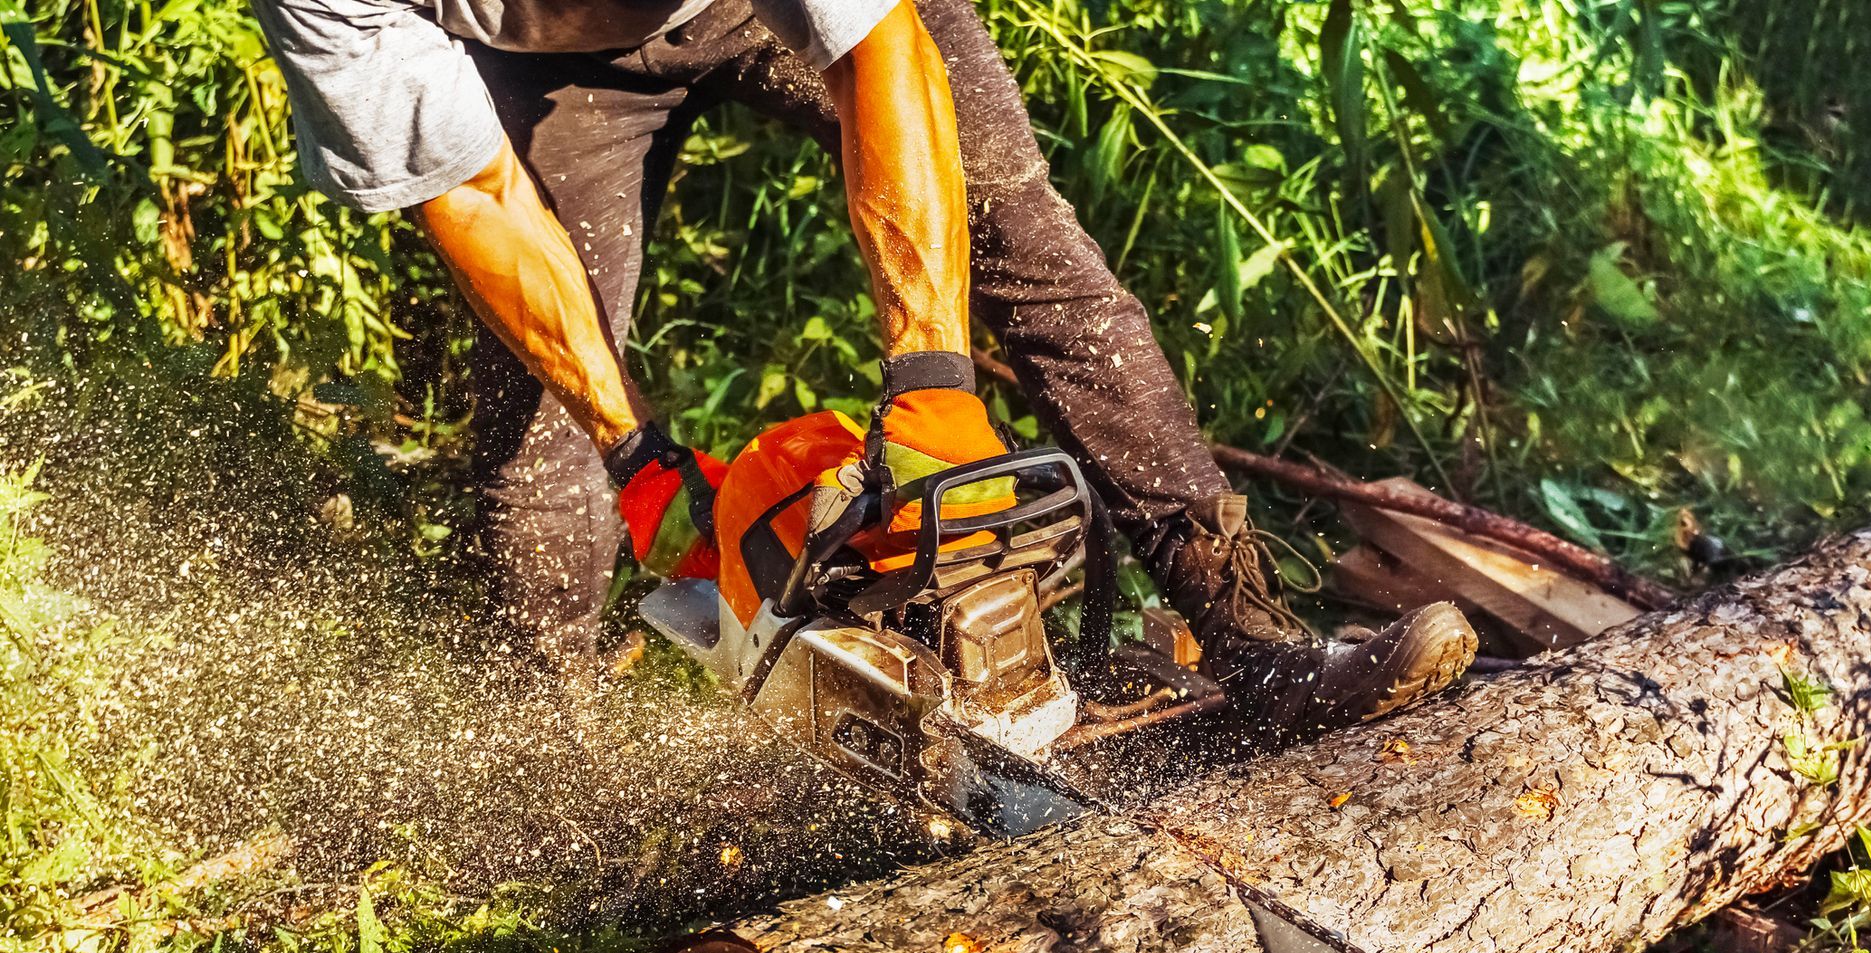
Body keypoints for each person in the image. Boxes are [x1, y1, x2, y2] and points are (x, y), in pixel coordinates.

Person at [250, 0, 1476, 742]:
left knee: (1025, 242)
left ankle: (1252, 640)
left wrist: (936, 385)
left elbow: (880, 44)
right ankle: (552, 774)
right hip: (542, 73)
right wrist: (639, 459)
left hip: (782, 10)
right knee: (538, 433)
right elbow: (474, 192)